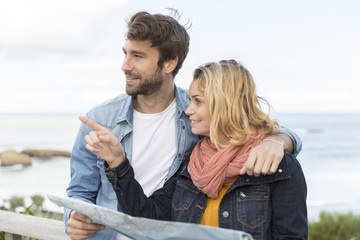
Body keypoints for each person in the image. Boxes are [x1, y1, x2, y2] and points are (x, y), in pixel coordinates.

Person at [65, 10, 302, 240]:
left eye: (137, 56)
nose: (125, 65)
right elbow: (81, 194)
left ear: (169, 63)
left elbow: (247, 127)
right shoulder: (100, 119)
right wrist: (75, 218)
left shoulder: (197, 118)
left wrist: (279, 141)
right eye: (125, 53)